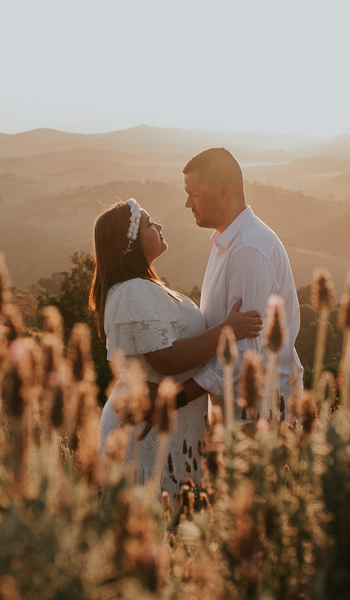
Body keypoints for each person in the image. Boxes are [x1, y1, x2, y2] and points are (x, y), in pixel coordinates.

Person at [90, 198, 262, 494]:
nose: (158, 226)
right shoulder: (134, 290)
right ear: (129, 243)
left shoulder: (142, 286)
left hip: (167, 425)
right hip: (148, 432)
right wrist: (226, 331)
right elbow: (166, 359)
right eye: (148, 224)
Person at [179, 148, 303, 423]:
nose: (188, 203)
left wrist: (177, 398)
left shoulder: (248, 249)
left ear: (224, 191)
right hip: (238, 416)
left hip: (262, 419)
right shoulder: (228, 242)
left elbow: (244, 353)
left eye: (194, 194)